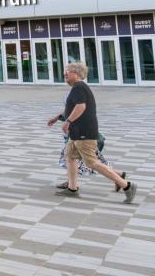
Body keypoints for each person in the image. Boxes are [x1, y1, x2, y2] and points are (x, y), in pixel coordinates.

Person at [47, 62, 137, 203]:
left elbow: (81, 107)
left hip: (84, 132)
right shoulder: (77, 88)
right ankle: (72, 188)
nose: (65, 74)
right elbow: (71, 109)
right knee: (69, 156)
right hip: (76, 133)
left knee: (92, 163)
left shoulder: (79, 88)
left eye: (67, 72)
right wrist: (57, 118)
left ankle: (127, 186)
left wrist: (68, 122)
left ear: (76, 74)